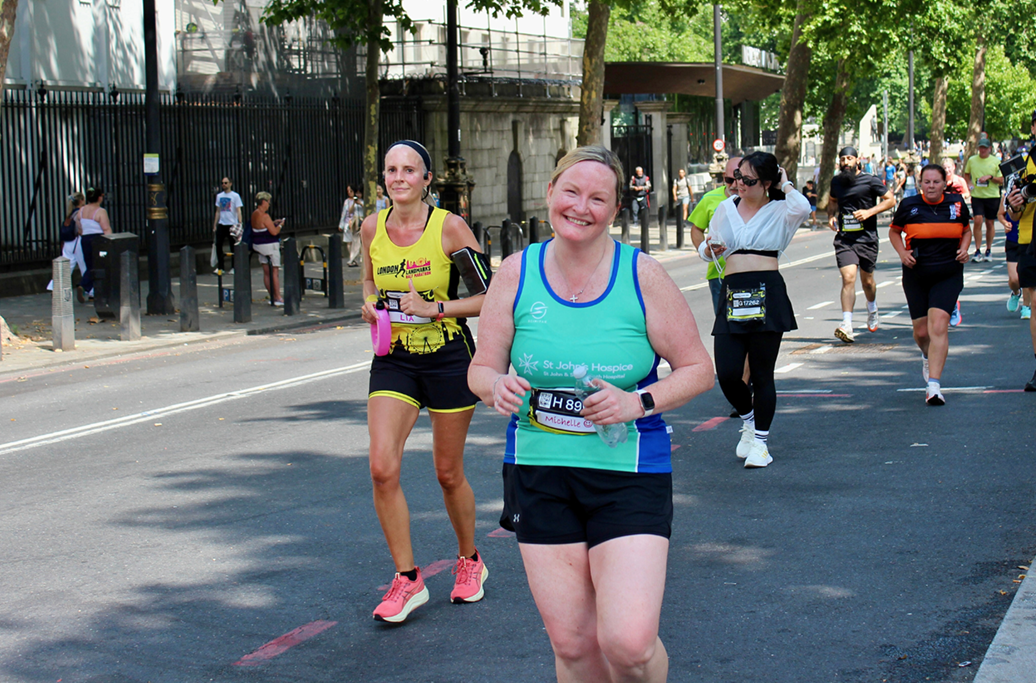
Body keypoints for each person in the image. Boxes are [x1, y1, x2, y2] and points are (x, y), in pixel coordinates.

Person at [468, 146, 714, 682]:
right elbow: (481, 368)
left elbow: (697, 367)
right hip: (539, 472)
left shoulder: (641, 274)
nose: (582, 207)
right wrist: (497, 387)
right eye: (571, 192)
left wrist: (637, 401)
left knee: (627, 644)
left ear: (616, 208)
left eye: (598, 198)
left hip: (629, 473)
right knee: (575, 646)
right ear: (550, 194)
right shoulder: (515, 272)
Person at [359, 140, 488, 622]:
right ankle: (408, 579)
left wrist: (433, 308)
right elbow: (369, 281)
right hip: (394, 357)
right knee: (381, 467)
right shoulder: (373, 226)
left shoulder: (449, 227)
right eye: (391, 170)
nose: (399, 178)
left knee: (447, 472)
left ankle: (470, 559)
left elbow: (489, 296)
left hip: (449, 356)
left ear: (426, 179)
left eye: (409, 170)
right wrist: (369, 303)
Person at [700, 152, 811, 468]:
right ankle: (748, 421)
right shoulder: (725, 208)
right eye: (736, 178)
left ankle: (761, 443)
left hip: (767, 289)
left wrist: (785, 183)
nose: (739, 185)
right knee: (728, 372)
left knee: (762, 373)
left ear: (766, 183)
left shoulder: (781, 210)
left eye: (748, 180)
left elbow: (803, 207)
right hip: (734, 291)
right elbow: (707, 248)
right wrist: (709, 249)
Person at [888, 163, 972, 406]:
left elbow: (965, 230)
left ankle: (934, 386)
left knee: (938, 326)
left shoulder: (956, 203)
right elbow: (894, 232)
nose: (931, 186)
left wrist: (964, 249)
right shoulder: (909, 205)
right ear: (920, 183)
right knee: (922, 332)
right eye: (927, 182)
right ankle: (927, 355)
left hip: (948, 272)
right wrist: (902, 253)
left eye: (936, 182)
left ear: (945, 183)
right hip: (916, 273)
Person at [827, 146, 896, 342]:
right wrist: (832, 216)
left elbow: (890, 200)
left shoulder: (870, 180)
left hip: (867, 238)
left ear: (858, 161)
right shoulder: (836, 182)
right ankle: (847, 324)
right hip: (845, 239)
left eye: (850, 158)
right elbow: (832, 200)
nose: (846, 162)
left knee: (867, 282)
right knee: (848, 278)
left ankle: (872, 307)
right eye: (843, 159)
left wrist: (869, 212)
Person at [1005, 111, 1036, 390]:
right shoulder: (1022, 167)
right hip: (1031, 241)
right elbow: (1014, 215)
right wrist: (1017, 203)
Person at [691, 156, 742, 314]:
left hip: (750, 272)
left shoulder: (756, 199)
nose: (733, 185)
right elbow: (696, 229)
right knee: (724, 325)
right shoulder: (709, 199)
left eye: (739, 179)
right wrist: (704, 250)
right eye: (728, 179)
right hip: (719, 274)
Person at [963, 136, 1003, 262]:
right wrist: (969, 184)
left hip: (992, 196)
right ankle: (978, 250)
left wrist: (990, 177)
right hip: (977, 196)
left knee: (990, 223)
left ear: (990, 149)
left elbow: (1001, 180)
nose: (982, 150)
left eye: (985, 148)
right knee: (978, 220)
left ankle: (989, 249)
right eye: (981, 147)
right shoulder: (972, 160)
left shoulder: (996, 161)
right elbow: (966, 174)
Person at [74, 187, 113, 303]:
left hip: (85, 239)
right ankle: (85, 286)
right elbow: (106, 229)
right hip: (98, 239)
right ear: (99, 197)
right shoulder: (100, 211)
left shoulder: (81, 211)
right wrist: (110, 242)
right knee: (99, 266)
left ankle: (90, 289)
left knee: (90, 265)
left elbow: (79, 226)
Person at [998, 194, 1031, 319]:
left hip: (1028, 241)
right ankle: (1016, 293)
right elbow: (1000, 214)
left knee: (1026, 277)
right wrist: (1005, 222)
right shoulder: (1008, 195)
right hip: (1013, 240)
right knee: (1014, 279)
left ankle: (1026, 307)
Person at [47, 192, 87, 292]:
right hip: (78, 241)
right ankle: (89, 290)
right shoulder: (82, 212)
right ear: (82, 200)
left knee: (66, 266)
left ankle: (53, 286)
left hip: (68, 242)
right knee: (85, 266)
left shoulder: (70, 214)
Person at [250, 192, 285, 306]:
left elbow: (262, 227)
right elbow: (274, 232)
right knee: (274, 272)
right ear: (264, 202)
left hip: (259, 246)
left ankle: (272, 296)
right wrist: (280, 225)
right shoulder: (265, 216)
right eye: (268, 202)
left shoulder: (255, 214)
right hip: (270, 246)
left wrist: (272, 223)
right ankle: (278, 297)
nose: (269, 204)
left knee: (266, 273)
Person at [213, 178, 243, 274]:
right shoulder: (219, 196)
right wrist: (215, 224)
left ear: (230, 183)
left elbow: (238, 210)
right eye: (222, 183)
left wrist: (239, 223)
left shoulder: (235, 196)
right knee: (218, 244)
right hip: (222, 223)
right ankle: (221, 267)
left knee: (233, 246)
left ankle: (234, 267)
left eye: (226, 183)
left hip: (232, 224)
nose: (224, 185)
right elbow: (218, 211)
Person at [339, 185, 364, 268]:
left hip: (361, 222)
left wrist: (360, 203)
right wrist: (354, 203)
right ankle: (352, 258)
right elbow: (348, 212)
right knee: (352, 242)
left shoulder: (364, 201)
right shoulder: (348, 201)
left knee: (358, 242)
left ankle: (354, 258)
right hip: (353, 223)